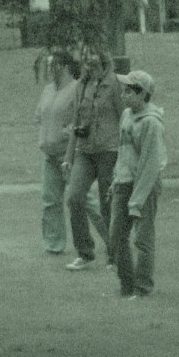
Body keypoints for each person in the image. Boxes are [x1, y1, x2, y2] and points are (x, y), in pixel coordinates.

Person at [35, 50, 106, 254]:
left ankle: (113, 236)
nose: (49, 70)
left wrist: (71, 130)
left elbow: (88, 117)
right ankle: (53, 245)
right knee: (50, 201)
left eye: (52, 65)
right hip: (49, 154)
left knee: (85, 200)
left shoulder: (77, 89)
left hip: (70, 154)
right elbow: (39, 115)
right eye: (48, 66)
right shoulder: (48, 90)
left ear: (65, 67)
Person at [62, 45, 125, 270]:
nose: (88, 61)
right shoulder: (81, 85)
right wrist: (68, 157)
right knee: (75, 198)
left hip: (109, 150)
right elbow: (76, 122)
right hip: (85, 151)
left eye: (92, 56)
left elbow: (124, 118)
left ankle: (116, 255)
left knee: (108, 204)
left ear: (103, 57)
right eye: (85, 57)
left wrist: (125, 155)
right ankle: (85, 253)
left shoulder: (115, 83)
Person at [109, 70, 167, 298]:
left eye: (129, 91)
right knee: (116, 236)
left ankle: (142, 288)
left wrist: (137, 200)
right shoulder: (126, 115)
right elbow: (123, 153)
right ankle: (126, 285)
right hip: (123, 183)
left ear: (143, 94)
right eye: (123, 90)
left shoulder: (151, 124)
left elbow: (150, 165)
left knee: (142, 239)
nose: (123, 95)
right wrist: (116, 178)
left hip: (144, 186)